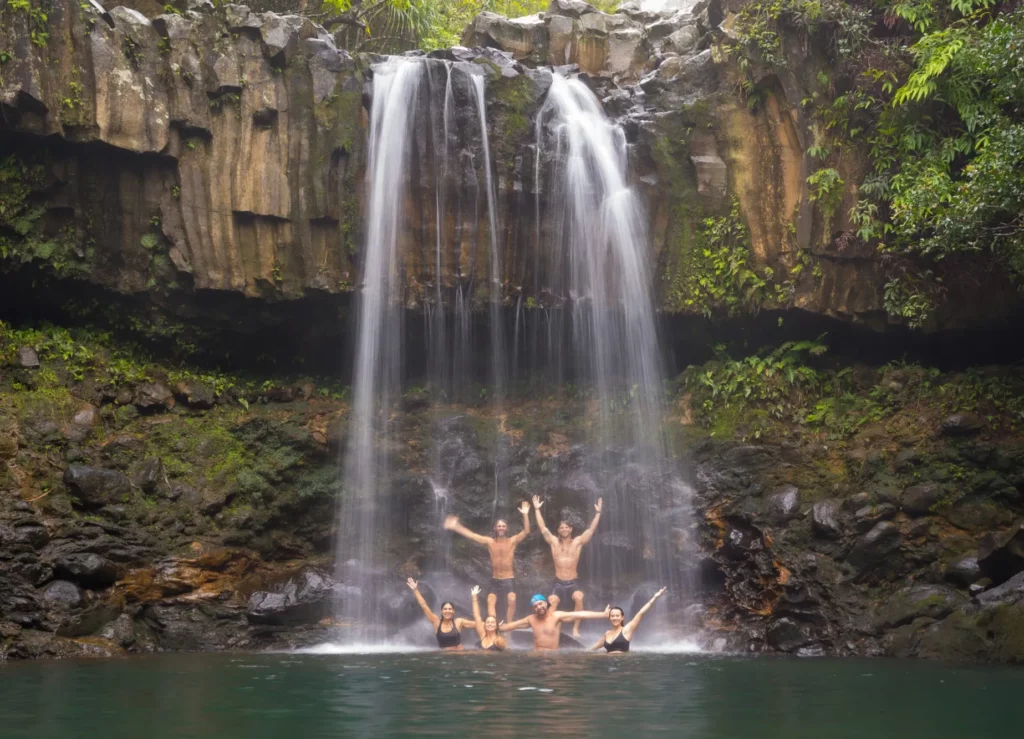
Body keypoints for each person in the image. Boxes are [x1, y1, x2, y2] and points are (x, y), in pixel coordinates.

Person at [444, 501, 531, 623]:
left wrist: (525, 514)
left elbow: (526, 532)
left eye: (503, 526)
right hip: (495, 579)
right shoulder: (490, 542)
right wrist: (456, 526)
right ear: (495, 528)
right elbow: (472, 536)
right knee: (490, 600)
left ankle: (509, 627)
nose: (501, 528)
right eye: (499, 526)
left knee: (512, 599)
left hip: (508, 579)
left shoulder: (512, 541)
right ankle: (493, 624)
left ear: (507, 528)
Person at [532, 494, 602, 638]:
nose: (564, 529)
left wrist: (598, 513)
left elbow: (590, 530)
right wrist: (537, 509)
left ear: (571, 529)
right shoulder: (553, 542)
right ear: (558, 530)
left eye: (566, 527)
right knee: (552, 601)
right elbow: (543, 528)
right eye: (561, 528)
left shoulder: (578, 542)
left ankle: (575, 629)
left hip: (573, 582)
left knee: (579, 597)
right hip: (558, 582)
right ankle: (547, 628)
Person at [499, 594, 609, 651]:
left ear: (546, 603)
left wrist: (603, 614)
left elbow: (580, 614)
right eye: (535, 606)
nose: (539, 607)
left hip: (551, 656)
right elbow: (512, 625)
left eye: (540, 603)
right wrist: (498, 627)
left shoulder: (556, 616)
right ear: (533, 609)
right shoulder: (531, 619)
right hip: (535, 656)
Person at [590, 587, 667, 653]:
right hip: (608, 662)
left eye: (617, 616)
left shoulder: (627, 629)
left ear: (622, 617)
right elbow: (595, 646)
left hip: (623, 663)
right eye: (612, 616)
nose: (615, 618)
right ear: (609, 618)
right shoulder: (607, 633)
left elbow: (641, 613)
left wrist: (655, 597)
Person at [406, 577, 476, 651]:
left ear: (453, 611)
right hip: (446, 655)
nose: (447, 611)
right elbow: (424, 606)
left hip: (460, 654)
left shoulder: (459, 622)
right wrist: (415, 590)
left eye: (450, 609)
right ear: (441, 611)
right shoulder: (436, 622)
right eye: (445, 609)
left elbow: (479, 625)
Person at [470, 585, 506, 651]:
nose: (490, 624)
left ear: (496, 626)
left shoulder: (499, 640)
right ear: (485, 625)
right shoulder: (483, 636)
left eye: (492, 622)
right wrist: (474, 596)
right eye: (488, 622)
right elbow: (477, 616)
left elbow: (505, 654)